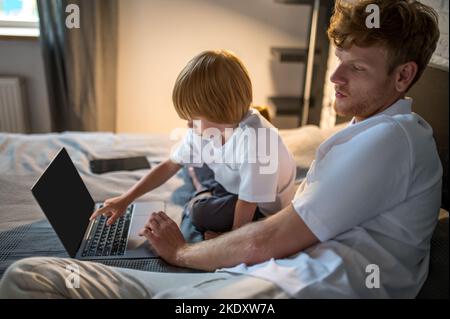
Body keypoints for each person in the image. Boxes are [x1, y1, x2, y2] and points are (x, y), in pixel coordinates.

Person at [0, 0, 442, 298]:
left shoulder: (391, 140)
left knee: (28, 277)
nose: (334, 78)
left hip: (291, 288)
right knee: (33, 274)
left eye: (356, 68)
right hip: (272, 271)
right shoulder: (371, 134)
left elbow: (268, 234)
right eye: (339, 61)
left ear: (402, 77)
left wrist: (179, 254)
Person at [90, 49, 296, 238]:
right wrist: (126, 199)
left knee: (200, 213)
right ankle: (203, 187)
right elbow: (170, 164)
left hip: (259, 206)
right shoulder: (209, 129)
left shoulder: (259, 142)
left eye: (193, 118)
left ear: (219, 110)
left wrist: (229, 239)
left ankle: (201, 191)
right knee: (188, 164)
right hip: (233, 179)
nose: (188, 124)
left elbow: (248, 203)